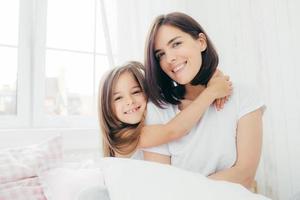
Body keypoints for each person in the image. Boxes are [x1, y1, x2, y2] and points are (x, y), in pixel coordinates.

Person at [143, 12, 265, 189]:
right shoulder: (157, 109)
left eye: (176, 44)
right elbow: (163, 186)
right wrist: (211, 93)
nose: (169, 59)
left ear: (201, 42)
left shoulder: (244, 97)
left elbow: (244, 175)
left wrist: (185, 188)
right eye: (160, 54)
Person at [98, 61, 232, 158]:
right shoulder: (122, 137)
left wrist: (213, 77)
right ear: (106, 107)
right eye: (118, 98)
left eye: (136, 92)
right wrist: (211, 92)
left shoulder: (149, 113)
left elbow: (170, 90)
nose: (130, 101)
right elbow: (173, 131)